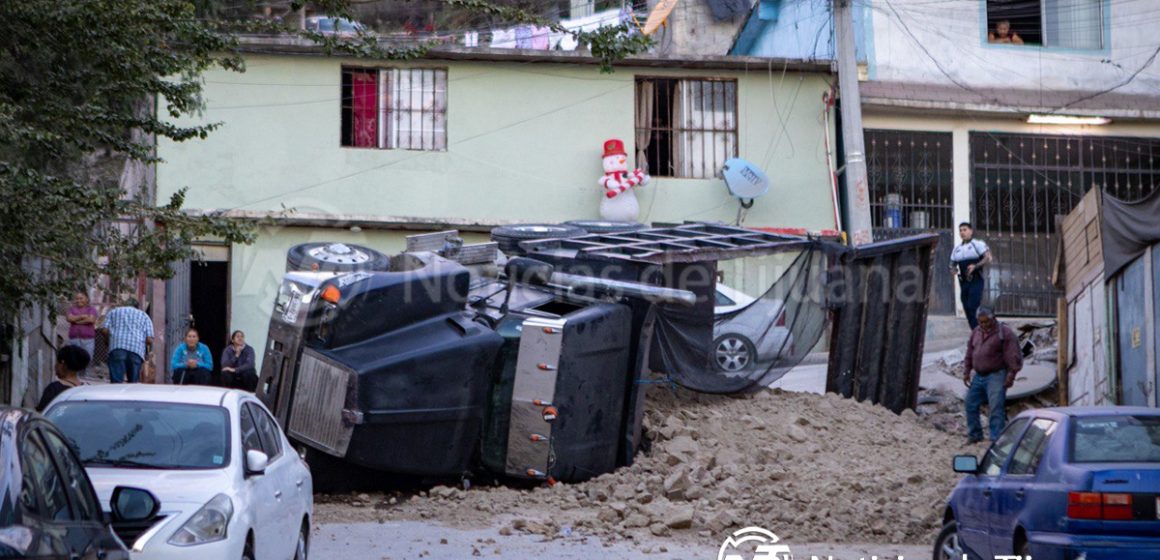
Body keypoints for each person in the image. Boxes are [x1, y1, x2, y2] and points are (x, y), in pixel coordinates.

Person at [962, 308, 1022, 443]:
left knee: (996, 407)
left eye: (986, 322)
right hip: (979, 375)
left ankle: (996, 440)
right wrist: (967, 371)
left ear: (993, 318)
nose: (984, 325)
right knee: (970, 403)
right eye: (981, 322)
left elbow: (1013, 356)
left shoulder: (1005, 333)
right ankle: (975, 435)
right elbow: (970, 352)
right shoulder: (976, 332)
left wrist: (1011, 375)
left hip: (996, 375)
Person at [950, 222, 992, 330]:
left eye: (965, 229)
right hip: (964, 282)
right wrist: (953, 269)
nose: (962, 232)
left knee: (973, 305)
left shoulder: (977, 244)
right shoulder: (957, 248)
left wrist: (976, 266)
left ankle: (981, 330)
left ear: (971, 231)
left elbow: (988, 258)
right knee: (966, 307)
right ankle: (975, 331)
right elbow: (952, 263)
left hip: (976, 280)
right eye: (960, 230)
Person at [103, 298, 154, 383]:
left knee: (116, 382)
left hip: (117, 347)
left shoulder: (114, 312)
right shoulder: (144, 315)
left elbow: (104, 330)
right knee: (133, 383)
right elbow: (149, 339)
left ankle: (115, 395)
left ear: (123, 304)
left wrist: (109, 340)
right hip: (136, 350)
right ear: (137, 307)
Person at [36, 345, 90, 412]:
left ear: (62, 363)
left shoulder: (54, 389)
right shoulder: (87, 389)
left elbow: (42, 413)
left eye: (57, 362)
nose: (55, 366)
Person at [64, 292, 98, 375]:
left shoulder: (91, 309)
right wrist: (83, 316)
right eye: (77, 298)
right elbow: (69, 318)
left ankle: (86, 377)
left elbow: (91, 320)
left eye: (81, 298)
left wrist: (76, 321)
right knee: (74, 359)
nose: (79, 300)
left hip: (88, 339)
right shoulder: (71, 309)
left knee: (87, 358)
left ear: (86, 299)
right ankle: (76, 377)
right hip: (74, 338)